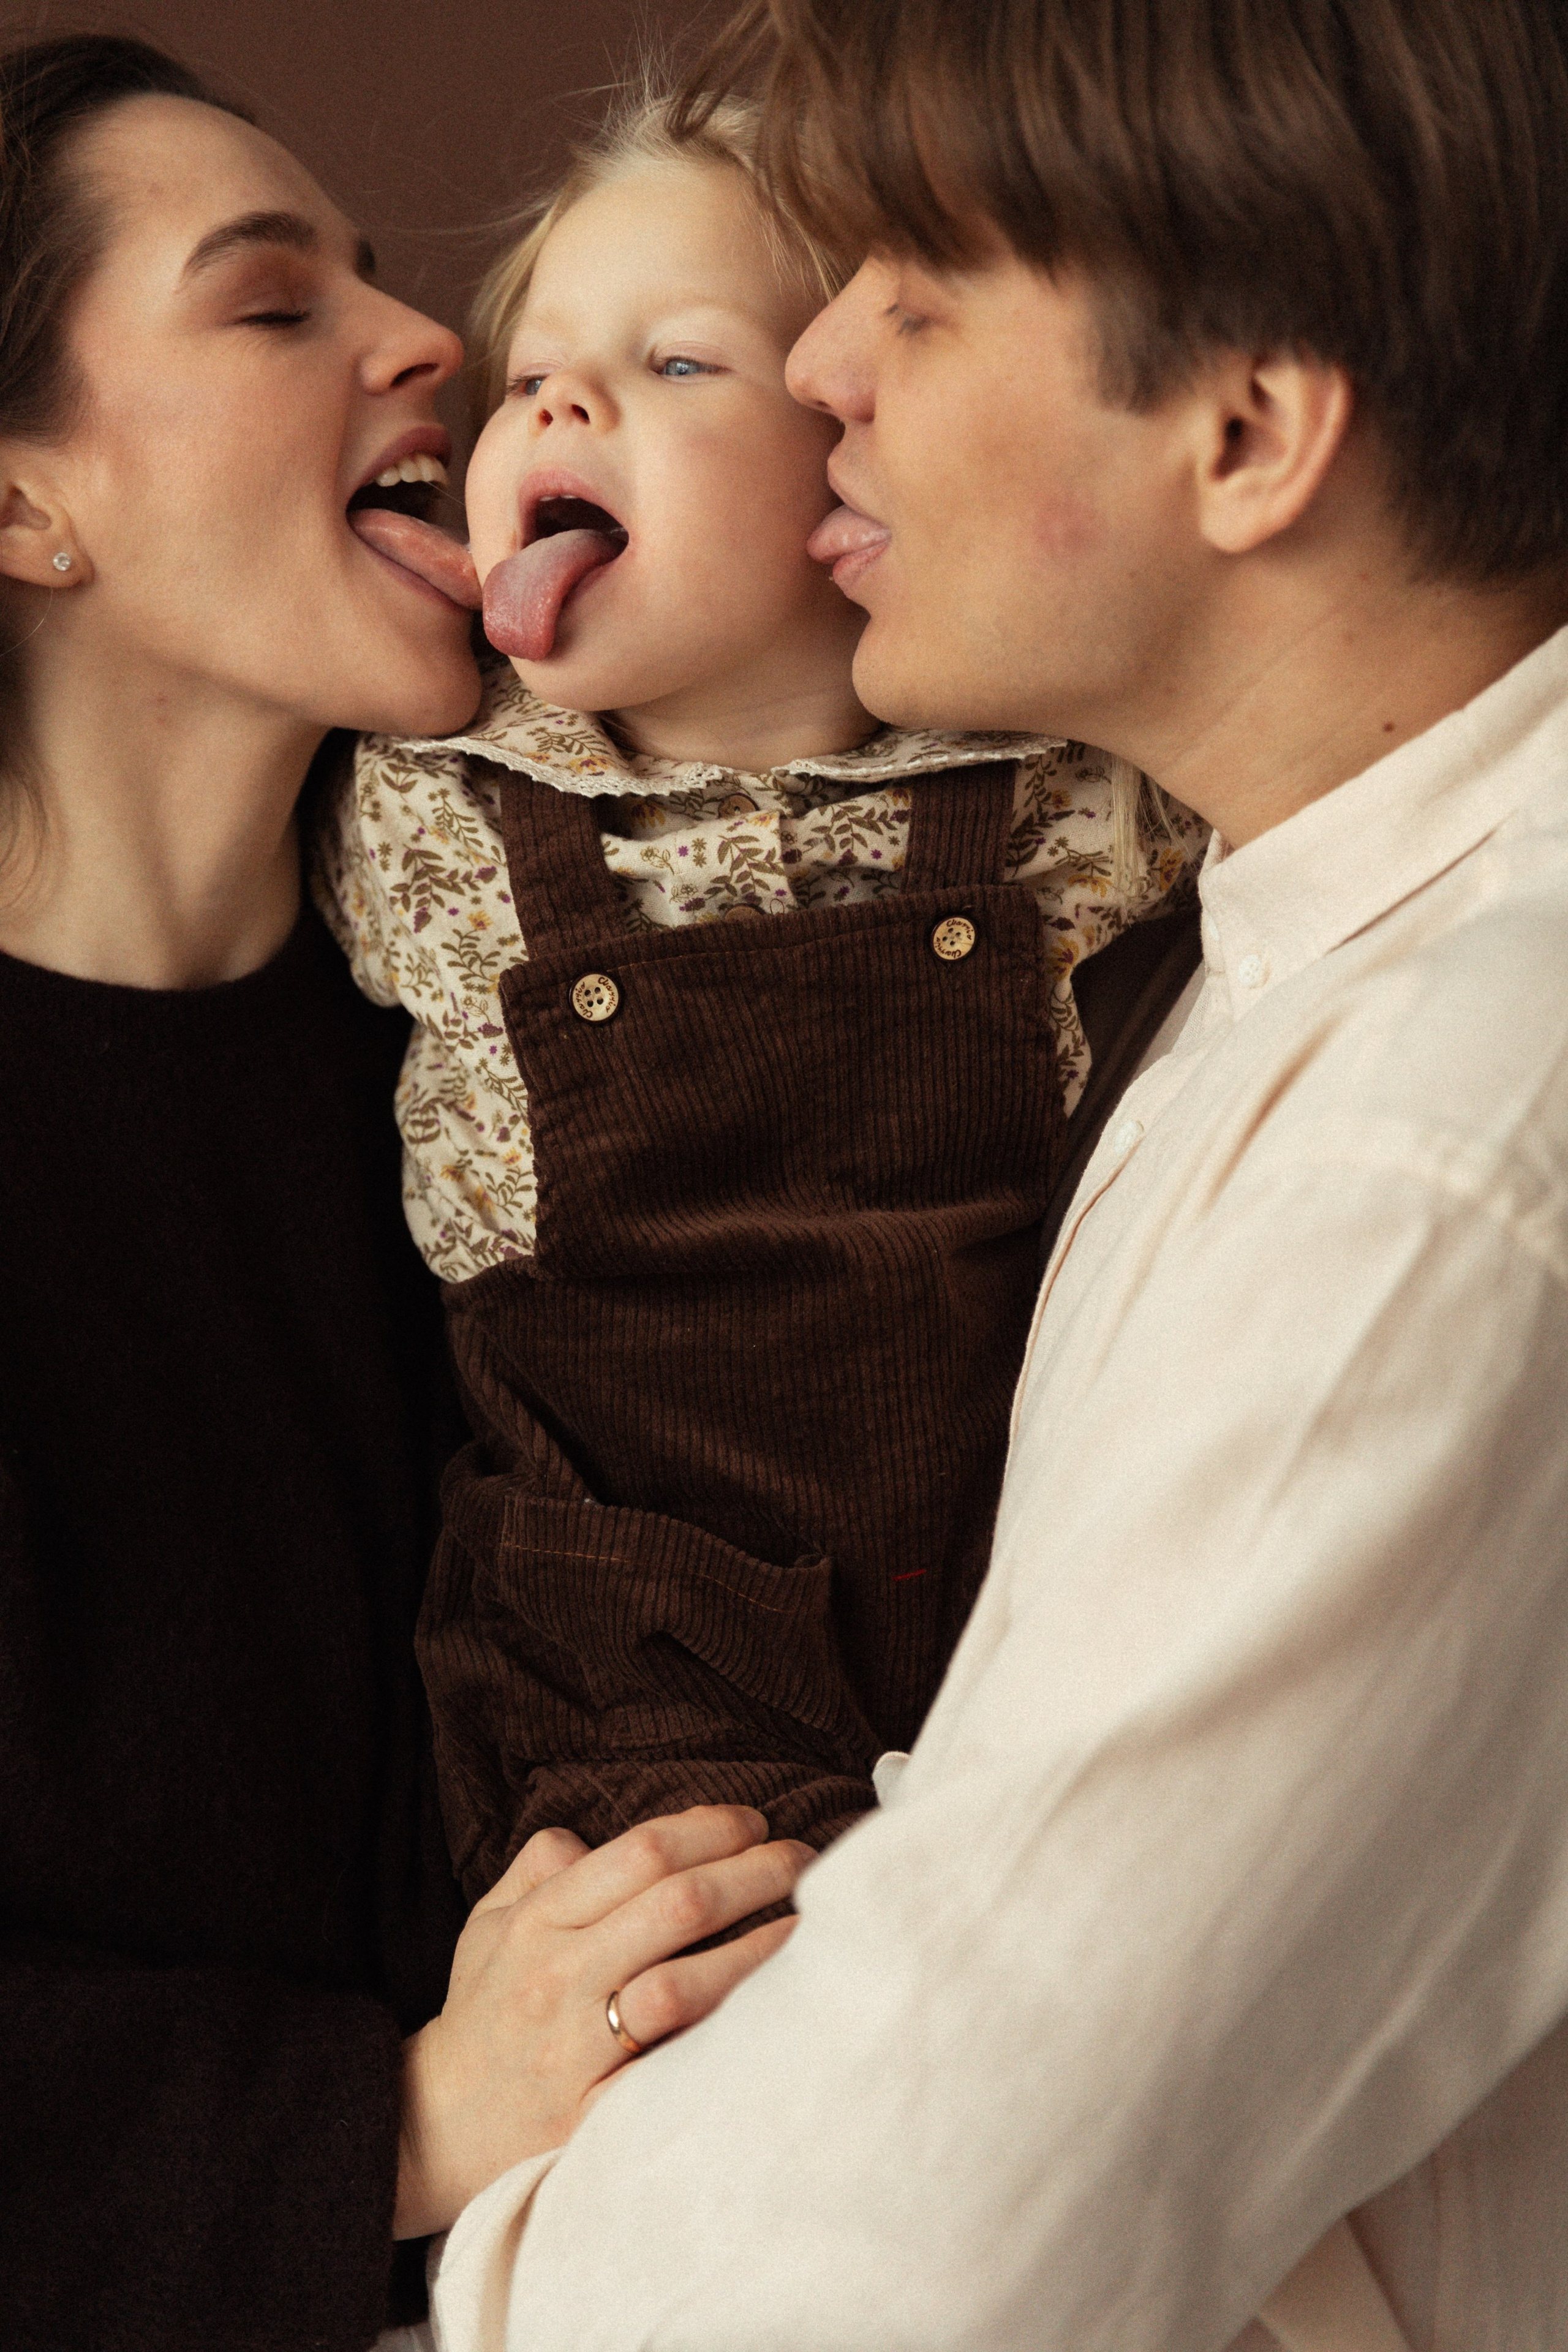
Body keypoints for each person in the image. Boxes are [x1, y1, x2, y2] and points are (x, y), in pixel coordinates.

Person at [421, 1, 1568, 2346]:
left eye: (918, 298)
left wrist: (466, 2243)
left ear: (1244, 436)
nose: (823, 361)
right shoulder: (1256, 953)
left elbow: (912, 2241)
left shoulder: (1434, 1163)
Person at [0, 36, 808, 2351]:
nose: (432, 339)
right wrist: (394, 2114)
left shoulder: (517, 1064)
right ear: (26, 505)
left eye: (377, 271)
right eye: (273, 306)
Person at [316, 86, 1202, 1895]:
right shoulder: (431, 799)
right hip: (611, 1698)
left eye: (678, 364)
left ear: (851, 466)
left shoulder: (1060, 799)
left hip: (1005, 1644)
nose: (562, 403)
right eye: (539, 374)